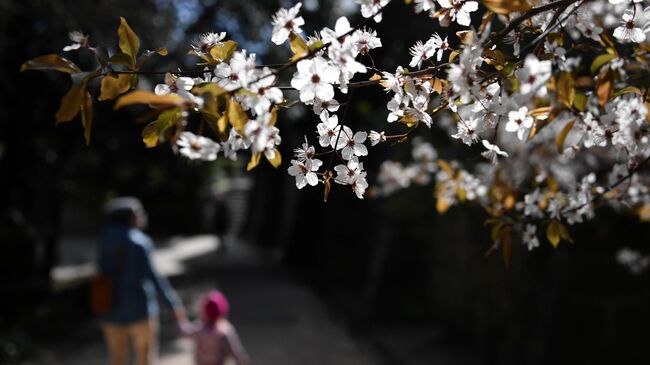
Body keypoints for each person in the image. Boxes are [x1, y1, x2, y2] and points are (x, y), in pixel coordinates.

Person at [98, 197, 186, 365]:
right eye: (139, 213)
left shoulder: (104, 239)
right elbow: (153, 276)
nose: (142, 216)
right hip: (140, 311)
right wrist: (173, 304)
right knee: (144, 359)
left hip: (110, 309)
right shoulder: (140, 242)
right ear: (130, 218)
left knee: (117, 359)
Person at [180, 291, 249, 365]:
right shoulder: (225, 331)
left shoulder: (199, 328)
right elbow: (236, 352)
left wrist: (181, 318)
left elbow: (185, 331)